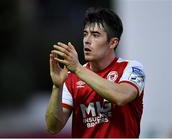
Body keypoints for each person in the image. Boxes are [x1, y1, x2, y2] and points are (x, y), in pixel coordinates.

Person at [46, 7, 145, 138]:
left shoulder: (131, 68)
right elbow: (53, 127)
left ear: (113, 43)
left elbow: (121, 97)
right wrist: (57, 87)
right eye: (85, 34)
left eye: (95, 35)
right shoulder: (71, 79)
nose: (87, 40)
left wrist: (77, 68)